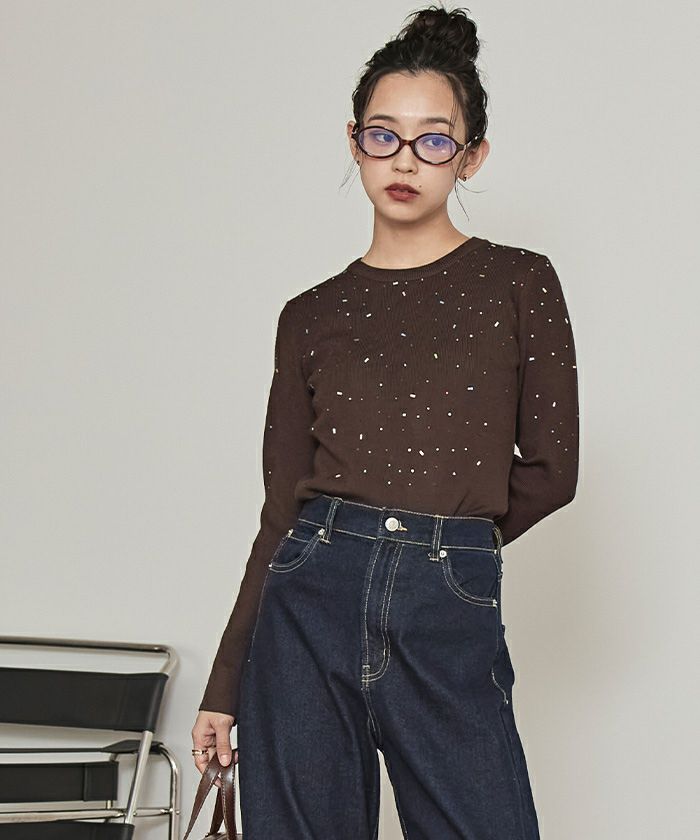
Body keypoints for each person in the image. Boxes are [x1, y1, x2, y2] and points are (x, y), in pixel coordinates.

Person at [191, 4, 579, 838]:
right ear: (354, 142)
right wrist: (223, 686)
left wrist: (448, 546)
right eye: (383, 135)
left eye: (434, 140)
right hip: (307, 605)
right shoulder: (309, 315)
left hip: (447, 599)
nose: (405, 159)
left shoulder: (520, 283)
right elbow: (280, 513)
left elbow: (554, 472)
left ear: (472, 155)